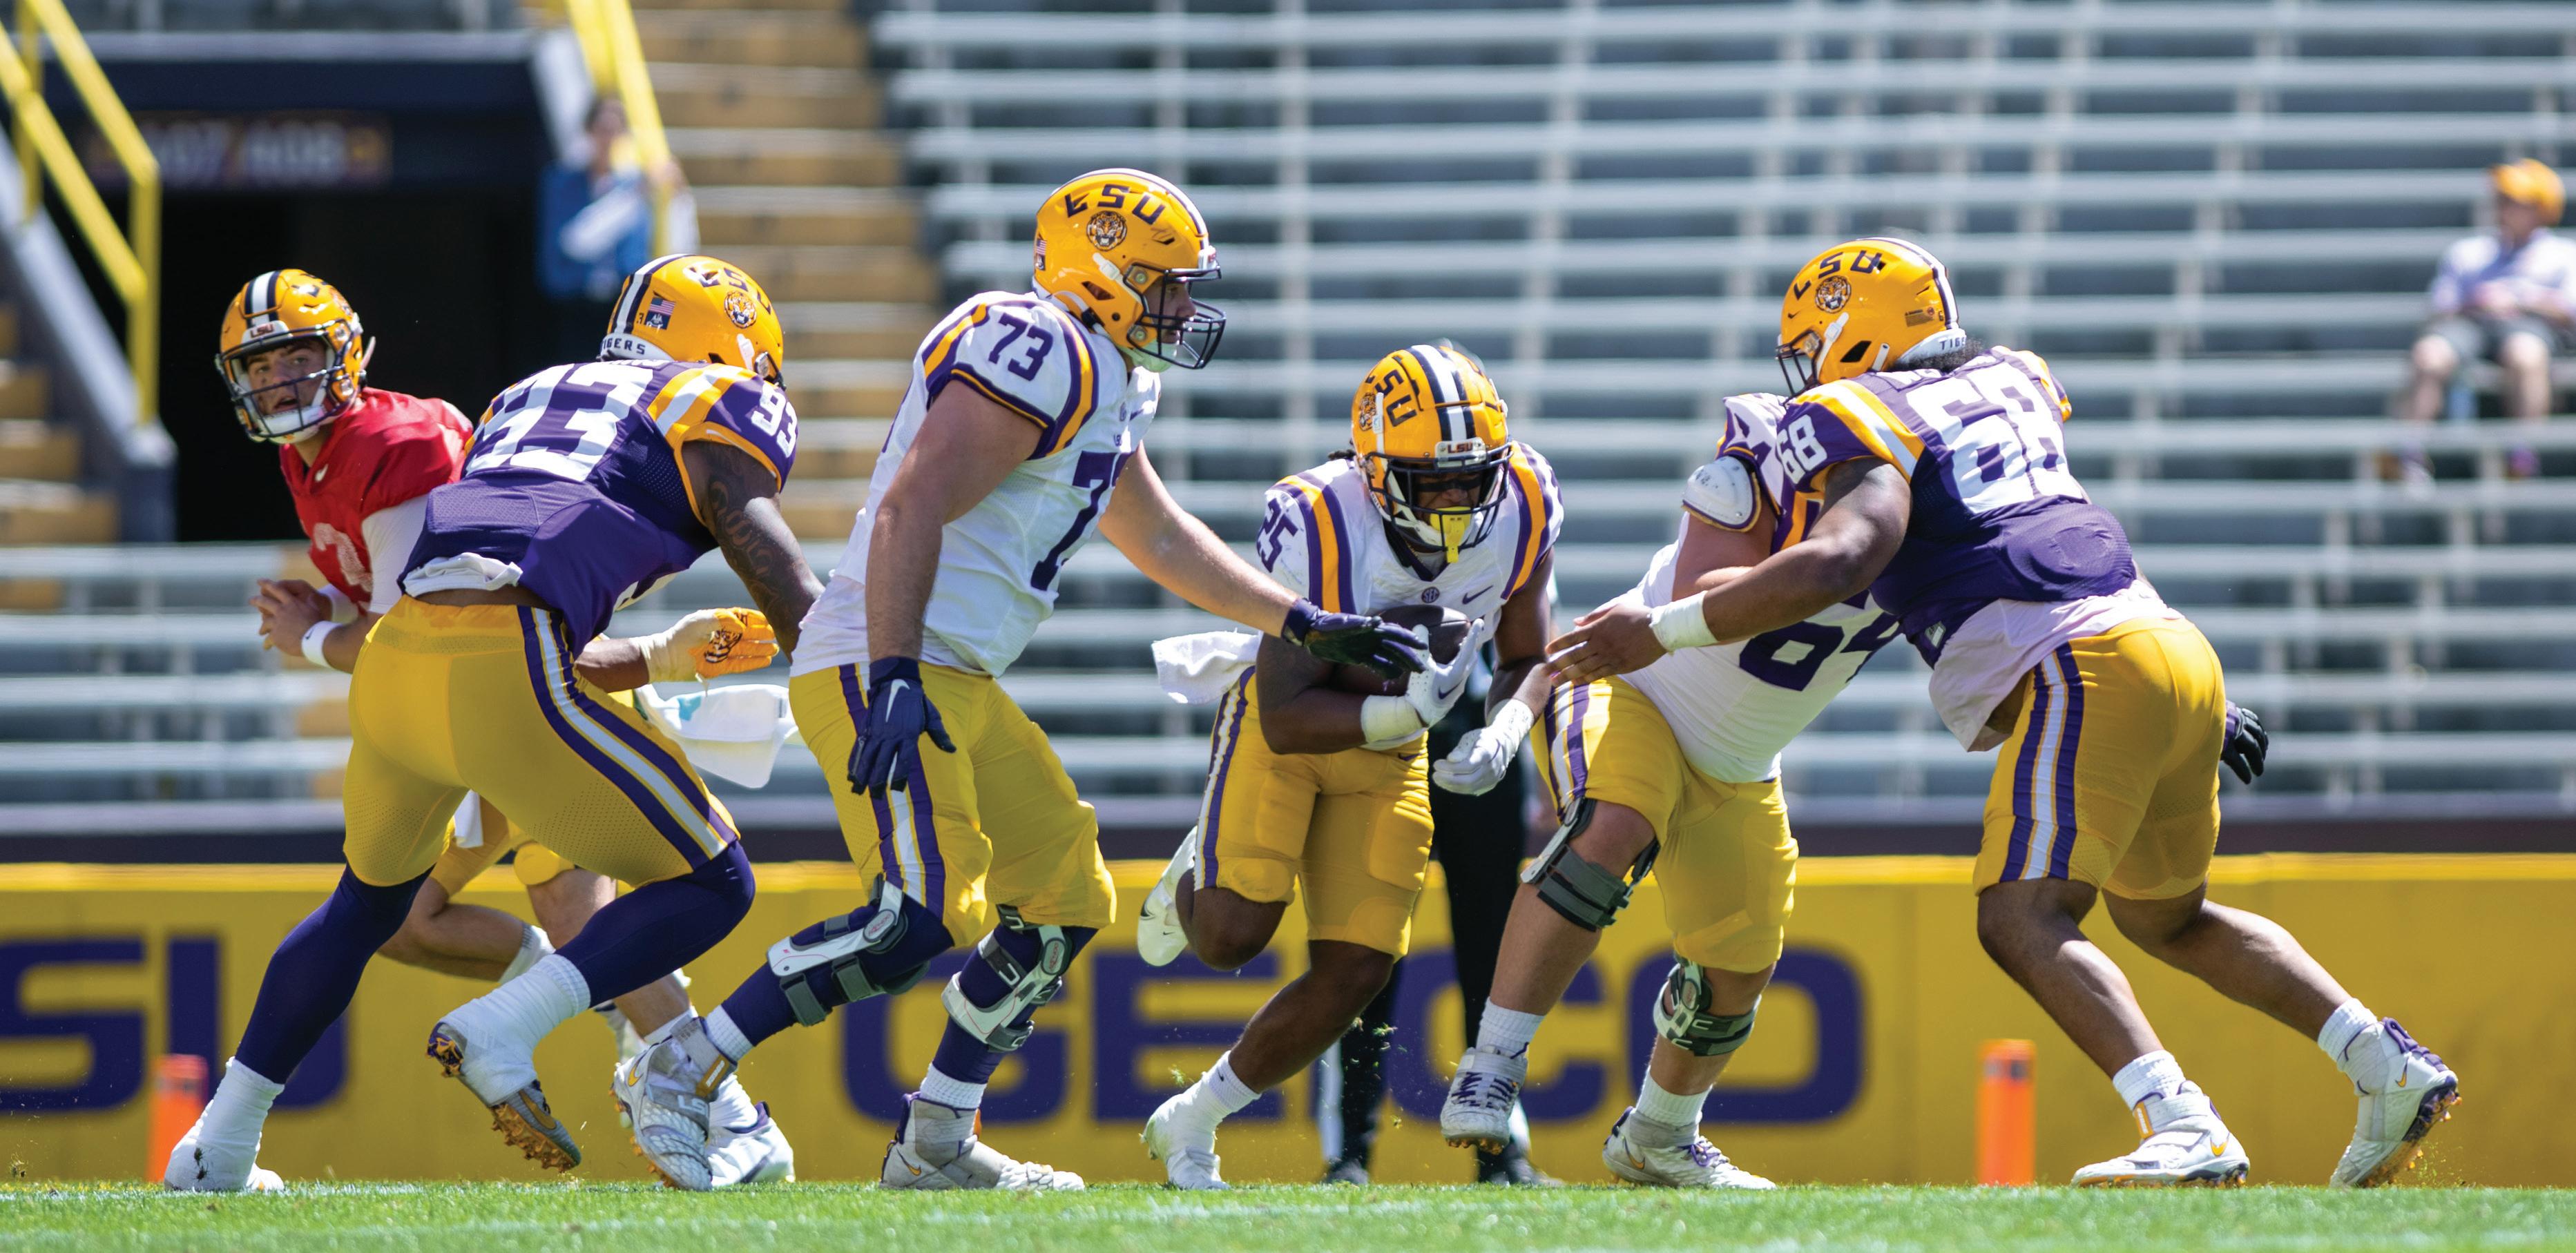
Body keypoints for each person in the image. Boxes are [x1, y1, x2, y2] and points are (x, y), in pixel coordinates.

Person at [1550, 237, 2461, 1188]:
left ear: (1853, 333)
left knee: (2020, 916)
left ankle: (2180, 1120)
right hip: (2168, 643)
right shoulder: (2012, 377)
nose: (1806, 370)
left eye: (1814, 344)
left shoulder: (1855, 409)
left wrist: (1665, 627)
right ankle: (2383, 1062)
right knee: (2169, 918)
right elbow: (2038, 519)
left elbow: (1844, 556)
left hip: (2080, 661)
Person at [612, 168, 1427, 1192]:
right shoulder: (1036, 345)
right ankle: (681, 1067)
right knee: (916, 917)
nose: (1182, 306)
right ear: (1099, 273)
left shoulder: (1107, 371)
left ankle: (936, 1140)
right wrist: (893, 668)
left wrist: (1300, 620)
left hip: (951, 673)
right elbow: (912, 505)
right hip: (885, 657)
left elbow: (1157, 535)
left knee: (1065, 900)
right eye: (1165, 283)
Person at [164, 254, 818, 1192]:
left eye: (294, 359)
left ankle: (216, 1148)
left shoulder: (526, 392)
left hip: (406, 674)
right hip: (510, 674)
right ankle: (517, 1029)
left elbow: (463, 580)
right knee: (714, 880)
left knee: (368, 908)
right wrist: (853, 674)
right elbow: (764, 560)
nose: (277, 381)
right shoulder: (711, 399)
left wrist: (656, 658)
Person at [1433, 391, 1899, 1189]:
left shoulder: (1930, 520)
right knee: (1614, 828)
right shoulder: (1758, 462)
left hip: (1740, 758)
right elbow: (1705, 586)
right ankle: (1491, 1066)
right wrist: (1826, 565)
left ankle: (1659, 1134)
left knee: (1739, 963)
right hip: (1631, 686)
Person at [1131, 343, 1559, 1190]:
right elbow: (1287, 711)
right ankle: (1196, 872)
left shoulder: (1525, 500)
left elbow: (1525, 654)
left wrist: (1508, 727)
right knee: (1227, 939)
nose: (1455, 501)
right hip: (1292, 732)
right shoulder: (1323, 517)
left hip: (1393, 754)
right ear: (1375, 472)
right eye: (1431, 482)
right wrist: (1408, 711)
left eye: (1470, 479)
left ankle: (1196, 1117)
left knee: (1360, 968)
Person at [1316, 656, 1551, 1188]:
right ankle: (1349, 1149)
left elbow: (1531, 652)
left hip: (1481, 734)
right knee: (1364, 954)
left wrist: (1526, 746)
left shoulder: (1515, 587)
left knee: (1493, 962)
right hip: (1384, 741)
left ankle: (1500, 1146)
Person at [2394, 159, 2576, 486]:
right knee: (2429, 354)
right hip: (2471, 325)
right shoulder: (2468, 252)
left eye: (2513, 200)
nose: (2501, 207)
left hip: (2531, 326)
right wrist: (2476, 303)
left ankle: (2522, 457)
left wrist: (2520, 300)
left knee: (2526, 354)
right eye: (2500, 199)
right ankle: (2409, 454)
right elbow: (2439, 307)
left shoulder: (2563, 253)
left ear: (2541, 209)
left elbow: (2569, 309)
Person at [539, 95, 698, 367]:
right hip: (574, 302)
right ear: (589, 131)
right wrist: (637, 192)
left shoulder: (635, 183)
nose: (609, 139)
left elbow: (679, 245)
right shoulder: (564, 182)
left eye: (616, 130)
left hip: (622, 304)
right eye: (603, 129)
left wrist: (679, 196)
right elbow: (577, 242)